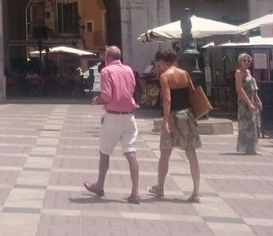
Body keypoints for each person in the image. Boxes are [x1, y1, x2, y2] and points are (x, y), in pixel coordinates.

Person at [82, 45, 140, 204]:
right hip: (129, 117)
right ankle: (135, 192)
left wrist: (96, 100)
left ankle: (99, 186)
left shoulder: (106, 71)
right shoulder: (129, 70)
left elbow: (107, 95)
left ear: (108, 57)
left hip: (113, 117)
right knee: (131, 153)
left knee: (105, 152)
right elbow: (131, 90)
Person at [147, 48, 201, 203]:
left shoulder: (165, 76)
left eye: (158, 63)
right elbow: (192, 93)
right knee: (191, 153)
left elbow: (167, 100)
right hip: (187, 114)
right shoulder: (184, 74)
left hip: (173, 116)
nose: (158, 66)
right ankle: (196, 191)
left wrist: (165, 121)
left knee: (165, 153)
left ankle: (160, 187)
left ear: (163, 61)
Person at [234, 53, 262, 155]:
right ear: (240, 61)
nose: (246, 63)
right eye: (244, 61)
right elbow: (240, 89)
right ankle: (247, 147)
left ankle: (253, 147)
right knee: (246, 125)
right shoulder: (238, 73)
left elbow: (253, 89)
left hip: (253, 100)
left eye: (248, 61)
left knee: (255, 124)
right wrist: (249, 103)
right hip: (245, 103)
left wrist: (258, 100)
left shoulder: (249, 72)